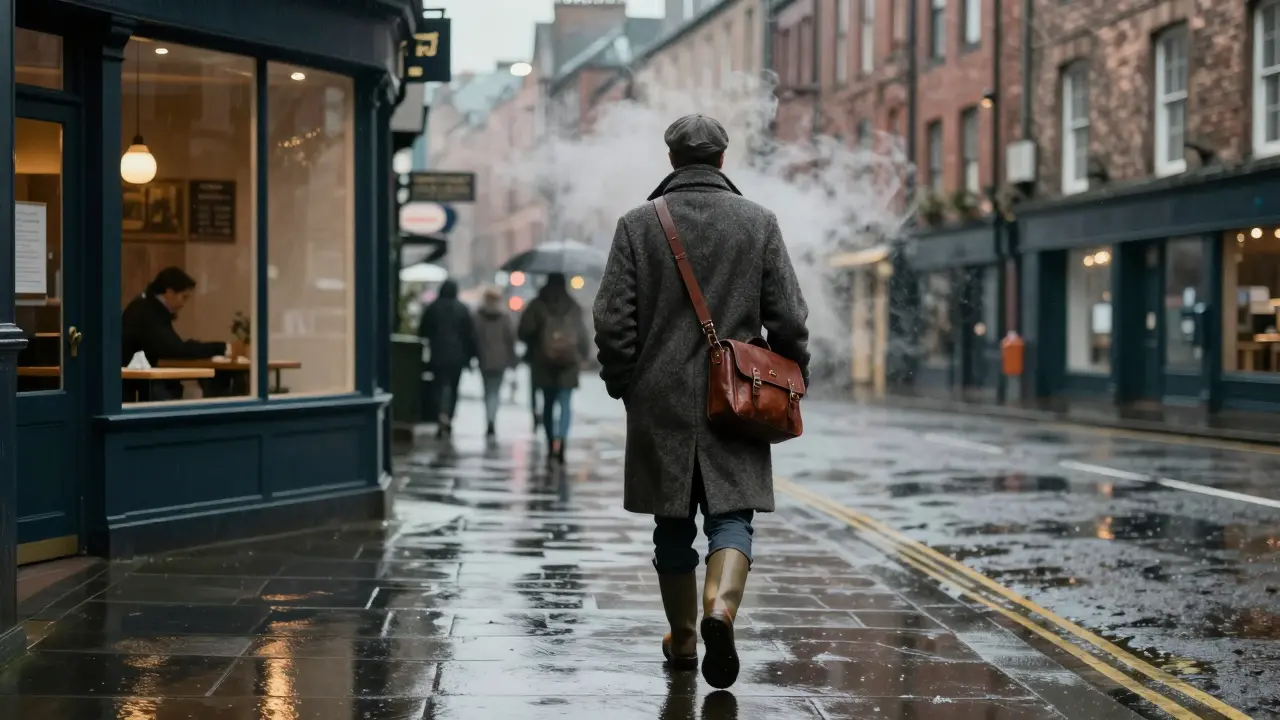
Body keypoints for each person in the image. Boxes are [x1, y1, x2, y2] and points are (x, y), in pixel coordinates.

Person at [592, 114, 810, 689]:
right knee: (731, 518)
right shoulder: (758, 222)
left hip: (658, 398)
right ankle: (722, 609)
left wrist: (625, 382)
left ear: (671, 160)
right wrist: (790, 373)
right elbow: (789, 316)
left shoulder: (638, 225)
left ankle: (685, 640)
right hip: (738, 398)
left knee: (671, 526)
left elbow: (613, 319)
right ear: (720, 159)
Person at [121, 267, 231, 401]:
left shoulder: (146, 307)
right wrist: (220, 348)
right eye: (183, 297)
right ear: (169, 292)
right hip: (134, 386)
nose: (183, 304)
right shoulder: (150, 313)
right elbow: (175, 348)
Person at [518, 273, 589, 463]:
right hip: (568, 363)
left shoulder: (537, 305)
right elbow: (582, 334)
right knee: (565, 404)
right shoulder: (573, 306)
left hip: (543, 362)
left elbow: (523, 332)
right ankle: (562, 440)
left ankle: (550, 444)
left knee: (548, 404)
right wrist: (584, 355)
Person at [418, 279, 477, 438]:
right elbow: (470, 335)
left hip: (437, 354)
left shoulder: (433, 308)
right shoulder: (462, 309)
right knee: (454, 388)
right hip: (458, 356)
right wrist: (472, 356)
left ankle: (440, 414)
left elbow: (423, 330)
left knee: (438, 386)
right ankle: (449, 415)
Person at [473, 286, 518, 437]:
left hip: (484, 359)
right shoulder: (504, 317)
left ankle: (489, 419)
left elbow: (473, 338)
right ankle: (492, 418)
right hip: (500, 360)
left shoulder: (478, 316)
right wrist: (513, 360)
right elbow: (510, 339)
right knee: (495, 391)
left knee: (487, 391)